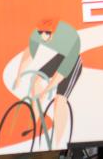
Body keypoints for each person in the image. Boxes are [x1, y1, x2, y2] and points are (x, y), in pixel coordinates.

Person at [14, 18, 82, 146]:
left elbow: (60, 74)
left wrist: (45, 91)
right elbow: (28, 55)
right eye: (40, 33)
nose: (43, 36)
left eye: (47, 33)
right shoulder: (37, 33)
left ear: (54, 33)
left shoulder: (71, 40)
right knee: (36, 79)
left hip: (72, 59)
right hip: (62, 55)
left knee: (59, 99)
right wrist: (18, 75)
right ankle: (34, 121)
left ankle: (58, 142)